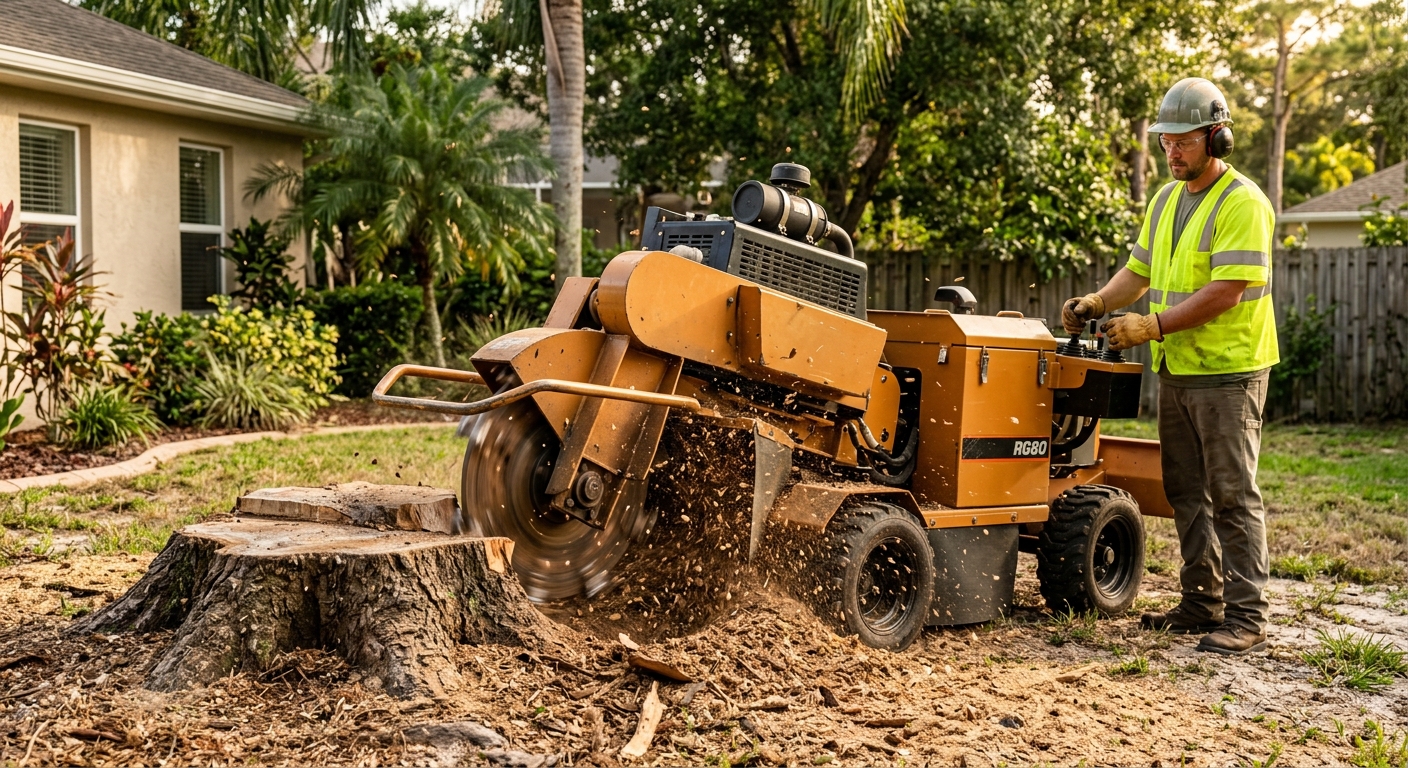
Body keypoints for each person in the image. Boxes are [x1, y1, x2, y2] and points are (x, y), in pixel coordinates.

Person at [1062, 77, 1279, 655]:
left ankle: (1248, 616)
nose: (1172, 152)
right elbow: (1138, 272)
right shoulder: (1163, 201)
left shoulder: (1244, 203)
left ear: (1217, 137)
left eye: (1183, 142)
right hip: (1179, 369)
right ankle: (1202, 601)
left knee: (1232, 493)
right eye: (1165, 142)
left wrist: (1151, 326)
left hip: (1230, 372)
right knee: (1186, 490)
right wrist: (1099, 303)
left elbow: (1228, 291)